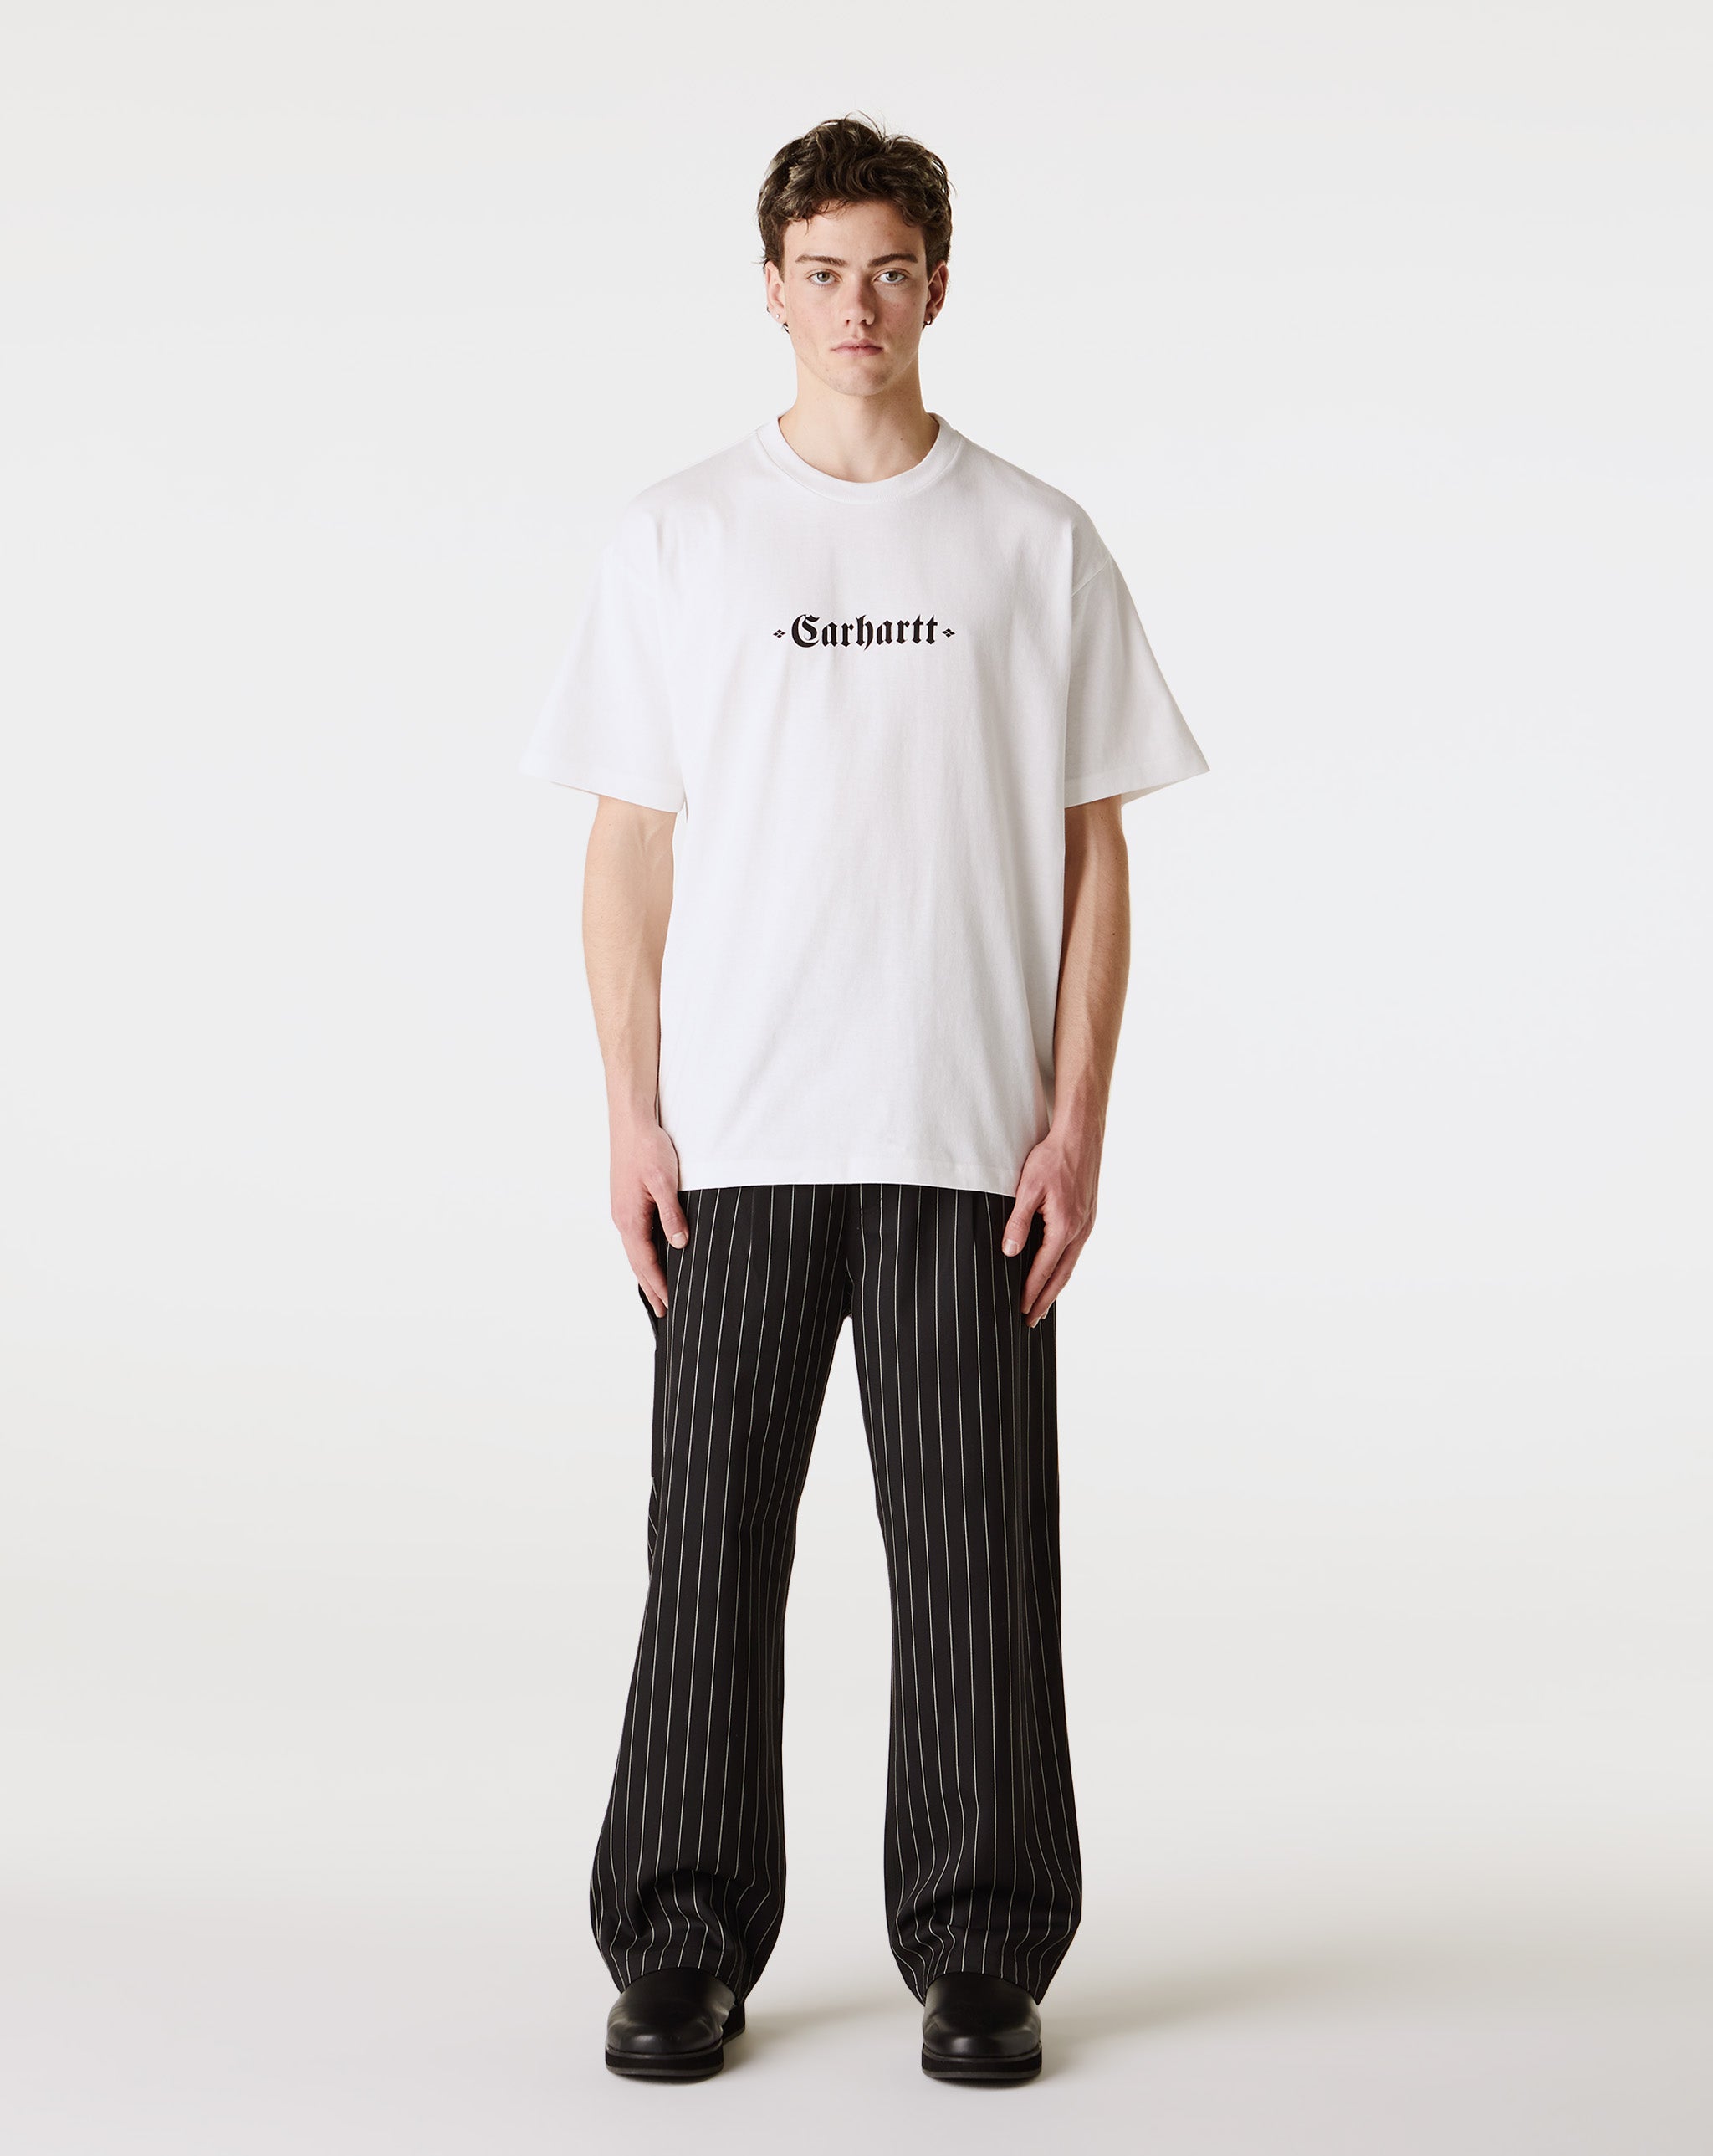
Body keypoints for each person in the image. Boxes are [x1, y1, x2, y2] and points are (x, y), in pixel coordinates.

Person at [519, 112, 1208, 2087]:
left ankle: (981, 1947)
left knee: (979, 1562)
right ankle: (679, 1938)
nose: (856, 307)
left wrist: (1075, 1118)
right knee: (711, 1548)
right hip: (733, 1141)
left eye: (890, 271)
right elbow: (628, 846)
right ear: (771, 289)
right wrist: (631, 1114)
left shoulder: (1030, 539)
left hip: (963, 1139)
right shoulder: (677, 535)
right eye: (821, 272)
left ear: (937, 288)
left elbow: (1092, 851)